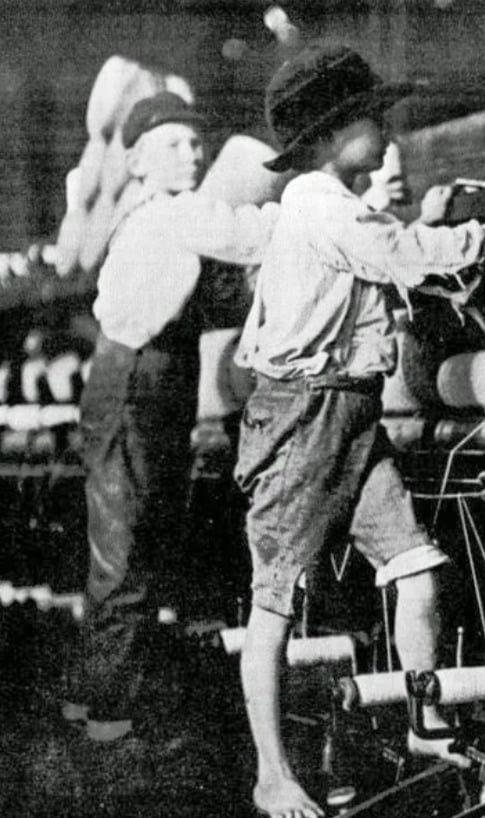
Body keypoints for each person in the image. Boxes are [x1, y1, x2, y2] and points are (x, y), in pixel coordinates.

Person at [234, 43, 485, 818]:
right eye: (372, 118)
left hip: (349, 411)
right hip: (303, 416)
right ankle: (271, 774)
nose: (387, 131)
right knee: (274, 602)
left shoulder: (337, 205)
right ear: (325, 137)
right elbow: (409, 255)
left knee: (415, 565)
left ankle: (424, 725)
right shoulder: (319, 203)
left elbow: (402, 265)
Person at [65, 91, 279, 743]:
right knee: (128, 545)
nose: (193, 154)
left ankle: (97, 698)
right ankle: (109, 723)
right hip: (137, 378)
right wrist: (322, 205)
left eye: (195, 144)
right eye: (174, 146)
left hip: (146, 376)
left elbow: (205, 299)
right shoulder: (176, 214)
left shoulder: (149, 218)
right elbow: (254, 235)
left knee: (134, 538)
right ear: (135, 161)